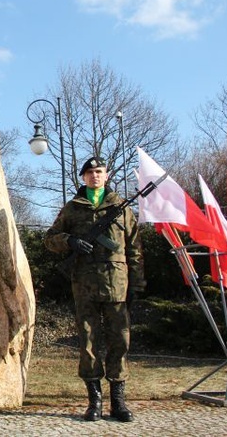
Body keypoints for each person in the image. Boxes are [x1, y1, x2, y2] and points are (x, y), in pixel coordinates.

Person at [44, 156, 145, 423]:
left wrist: (136, 283)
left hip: (117, 284)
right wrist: (71, 241)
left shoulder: (121, 208)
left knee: (120, 340)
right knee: (88, 342)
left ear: (107, 175)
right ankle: (95, 402)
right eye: (89, 172)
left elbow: (134, 249)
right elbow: (50, 240)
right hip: (85, 284)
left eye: (99, 171)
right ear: (83, 177)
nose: (94, 176)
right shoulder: (72, 208)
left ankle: (118, 401)